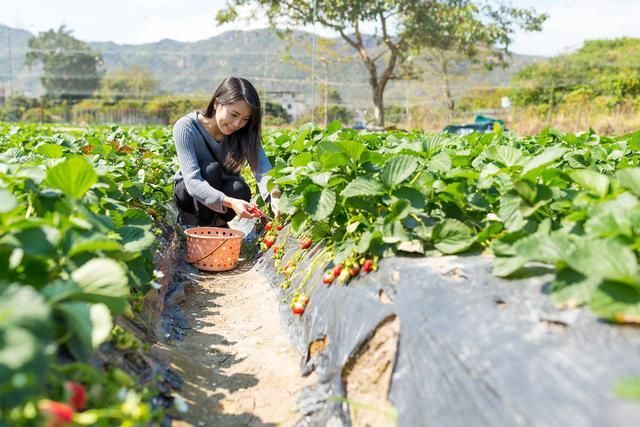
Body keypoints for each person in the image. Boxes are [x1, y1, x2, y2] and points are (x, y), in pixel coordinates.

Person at [172, 76, 280, 227]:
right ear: (217, 103)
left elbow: (261, 167)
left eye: (245, 119)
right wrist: (230, 202)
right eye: (234, 114)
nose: (237, 124)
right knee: (211, 170)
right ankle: (200, 227)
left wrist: (274, 195)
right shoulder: (186, 127)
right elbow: (192, 182)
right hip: (189, 195)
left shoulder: (245, 132)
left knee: (239, 188)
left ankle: (218, 225)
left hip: (222, 196)